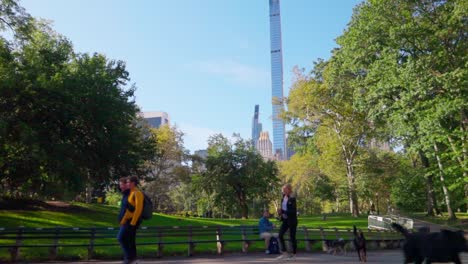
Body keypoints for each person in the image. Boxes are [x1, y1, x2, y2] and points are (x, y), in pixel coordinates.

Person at [119, 176, 144, 263]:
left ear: (133, 183)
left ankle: (129, 257)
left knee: (120, 238)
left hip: (133, 222)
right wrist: (123, 220)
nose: (127, 184)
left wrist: (133, 222)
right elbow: (128, 210)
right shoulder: (130, 193)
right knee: (130, 240)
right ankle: (132, 258)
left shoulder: (137, 193)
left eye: (129, 182)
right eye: (127, 182)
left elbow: (138, 209)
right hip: (127, 221)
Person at [276, 184, 298, 261]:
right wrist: (280, 213)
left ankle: (294, 254)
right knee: (280, 235)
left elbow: (293, 211)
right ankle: (284, 253)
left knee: (292, 237)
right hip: (285, 220)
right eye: (283, 189)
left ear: (289, 190)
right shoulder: (282, 198)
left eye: (285, 189)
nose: (283, 191)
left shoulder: (292, 199)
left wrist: (283, 211)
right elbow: (283, 210)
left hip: (292, 220)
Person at [117, 177, 130, 262]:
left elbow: (130, 210)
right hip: (124, 222)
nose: (120, 186)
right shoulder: (125, 194)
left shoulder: (130, 194)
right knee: (125, 239)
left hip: (128, 222)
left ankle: (129, 258)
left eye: (122, 184)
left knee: (120, 238)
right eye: (120, 184)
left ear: (126, 184)